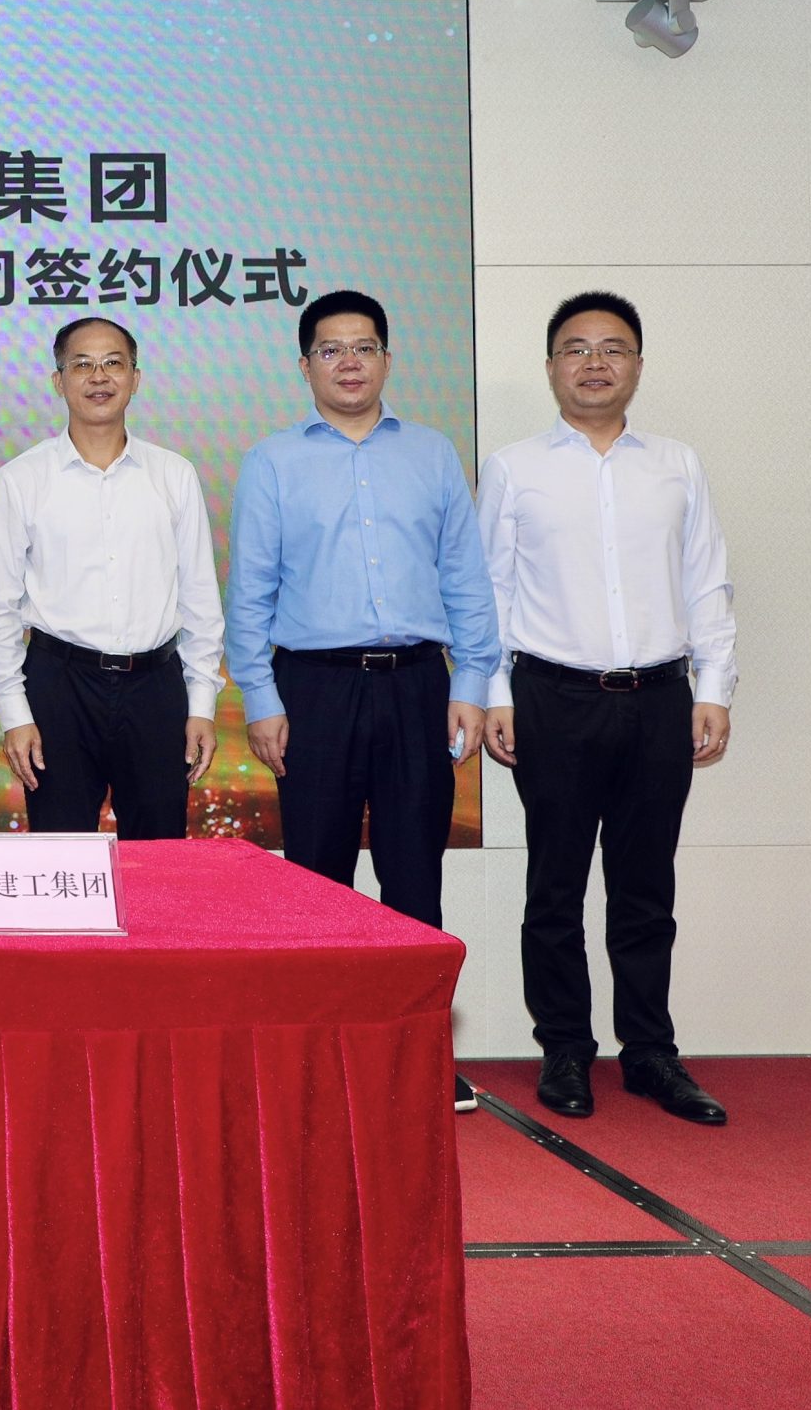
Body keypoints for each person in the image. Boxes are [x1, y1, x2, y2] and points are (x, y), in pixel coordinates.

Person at [224, 289, 499, 1112]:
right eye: (331, 349)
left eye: (364, 346)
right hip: (313, 688)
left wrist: (472, 683)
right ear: (305, 364)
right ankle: (315, 1061)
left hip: (419, 684)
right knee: (317, 879)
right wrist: (261, 695)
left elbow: (466, 578)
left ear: (386, 358)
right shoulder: (274, 461)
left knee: (416, 878)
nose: (349, 362)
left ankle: (414, 1059)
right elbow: (250, 591)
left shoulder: (432, 454)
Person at [479, 291, 736, 1126]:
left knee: (645, 887)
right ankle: (564, 1047)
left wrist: (713, 687)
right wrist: (493, 693)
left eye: (613, 348)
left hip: (659, 698)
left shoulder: (677, 464)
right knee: (554, 886)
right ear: (551, 366)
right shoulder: (515, 467)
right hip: (551, 697)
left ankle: (651, 1051)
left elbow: (707, 580)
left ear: (637, 365)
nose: (595, 362)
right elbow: (489, 591)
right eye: (577, 348)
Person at [0, 316, 225, 837]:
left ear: (135, 378)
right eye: (82, 365)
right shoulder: (21, 479)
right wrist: (14, 714)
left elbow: (200, 599)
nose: (99, 377)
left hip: (155, 686)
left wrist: (202, 703)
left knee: (159, 857)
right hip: (59, 686)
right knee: (61, 856)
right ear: (59, 381)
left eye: (113, 363)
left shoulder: (173, 475)